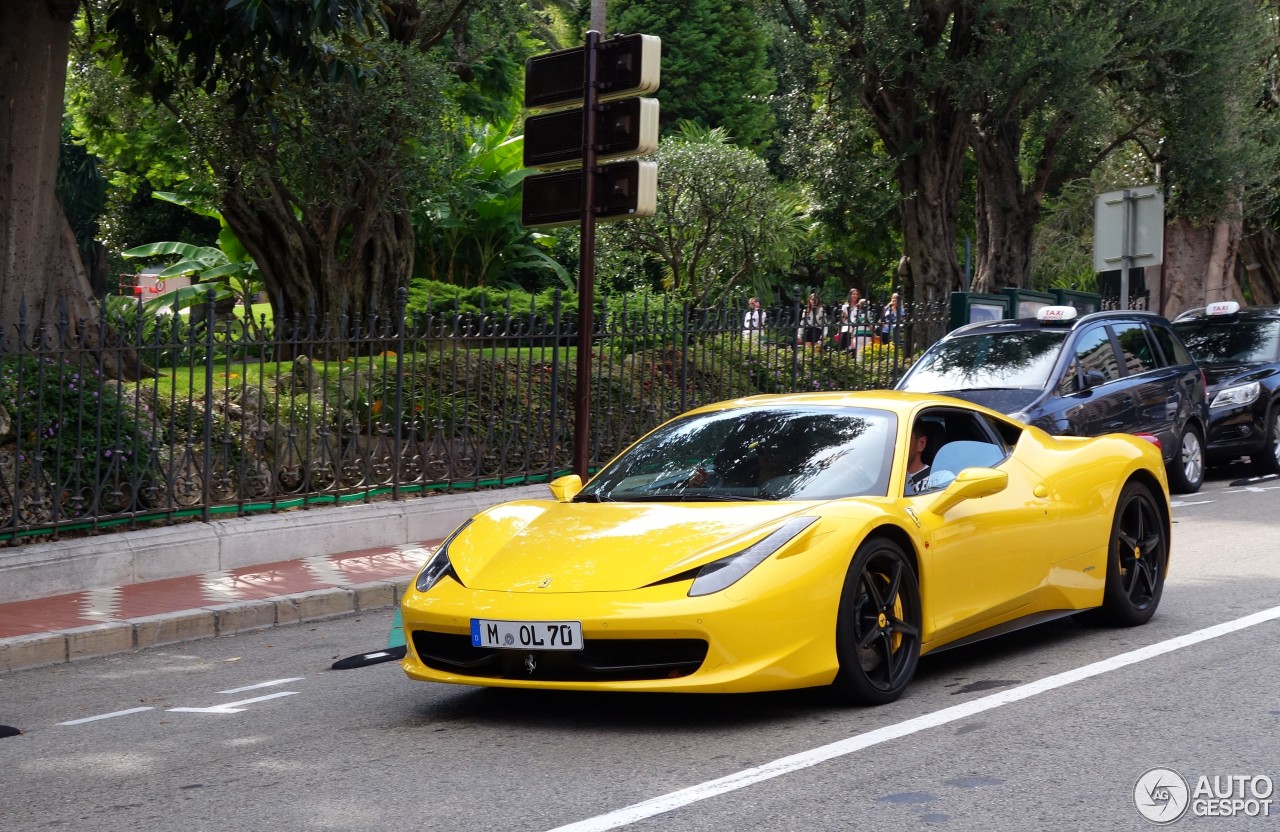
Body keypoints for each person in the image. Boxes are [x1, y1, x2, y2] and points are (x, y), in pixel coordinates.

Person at [906, 421, 932, 494]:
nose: (895, 445)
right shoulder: (880, 478)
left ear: (921, 444)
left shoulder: (940, 478)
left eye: (904, 439)